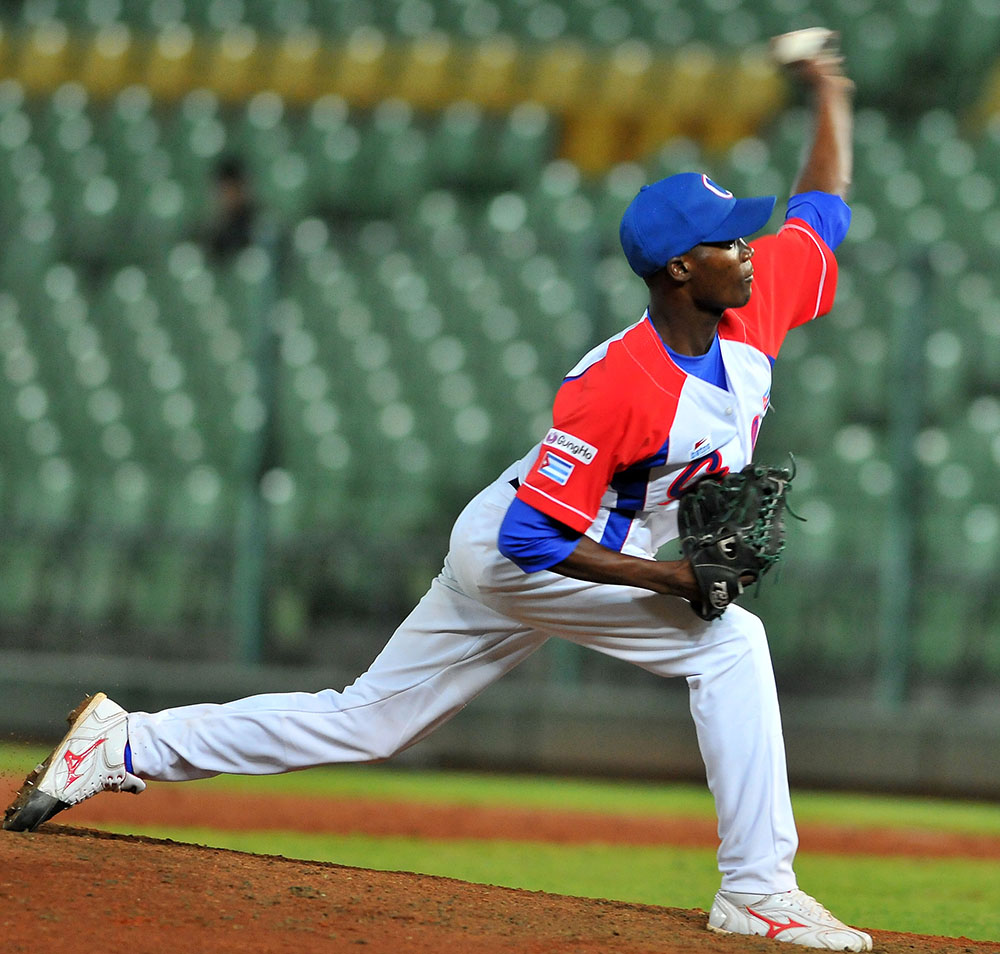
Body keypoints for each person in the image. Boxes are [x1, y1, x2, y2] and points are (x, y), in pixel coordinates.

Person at [4, 41, 866, 952]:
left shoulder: (756, 302)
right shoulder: (618, 386)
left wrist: (830, 93)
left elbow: (824, 212)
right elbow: (535, 539)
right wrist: (670, 580)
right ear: (679, 270)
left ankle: (123, 744)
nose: (748, 250)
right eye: (727, 240)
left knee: (374, 718)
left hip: (532, 539)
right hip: (527, 549)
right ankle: (758, 891)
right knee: (730, 647)